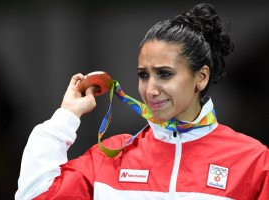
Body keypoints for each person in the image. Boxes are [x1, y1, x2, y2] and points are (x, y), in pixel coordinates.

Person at [15, 3, 268, 200]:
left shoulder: (252, 160)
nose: (151, 89)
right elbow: (35, 194)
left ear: (201, 77)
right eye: (143, 75)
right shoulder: (111, 156)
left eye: (164, 74)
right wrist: (66, 116)